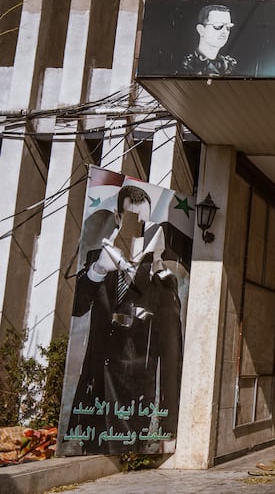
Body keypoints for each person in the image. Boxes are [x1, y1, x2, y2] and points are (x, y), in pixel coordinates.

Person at [66, 185, 183, 454]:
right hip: (97, 386)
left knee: (128, 456)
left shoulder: (161, 276)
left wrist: (169, 426)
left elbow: (171, 350)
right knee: (92, 453)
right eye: (132, 219)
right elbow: (78, 307)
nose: (138, 228)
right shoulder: (97, 259)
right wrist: (98, 270)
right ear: (118, 217)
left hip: (134, 394)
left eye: (144, 222)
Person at [181, 4, 237, 76]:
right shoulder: (185, 65)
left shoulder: (230, 65)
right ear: (201, 30)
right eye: (218, 26)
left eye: (228, 27)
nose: (224, 31)